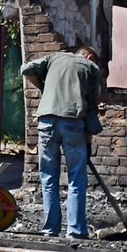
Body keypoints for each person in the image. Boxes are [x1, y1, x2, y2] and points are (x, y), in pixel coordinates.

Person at [20, 46, 103, 238]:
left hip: (46, 121)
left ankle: (50, 229)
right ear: (90, 57)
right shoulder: (90, 68)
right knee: (76, 177)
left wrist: (44, 87)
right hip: (72, 122)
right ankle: (75, 231)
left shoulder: (53, 57)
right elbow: (90, 108)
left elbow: (26, 69)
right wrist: (88, 143)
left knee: (48, 177)